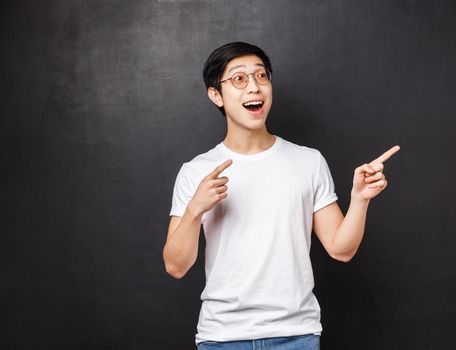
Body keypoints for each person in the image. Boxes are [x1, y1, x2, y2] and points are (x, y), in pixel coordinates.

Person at [163, 42, 400, 349]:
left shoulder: (308, 161)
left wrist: (360, 199)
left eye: (262, 76)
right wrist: (195, 209)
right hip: (222, 338)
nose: (254, 88)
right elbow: (175, 266)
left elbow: (342, 249)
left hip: (296, 336)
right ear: (216, 95)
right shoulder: (197, 171)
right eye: (239, 79)